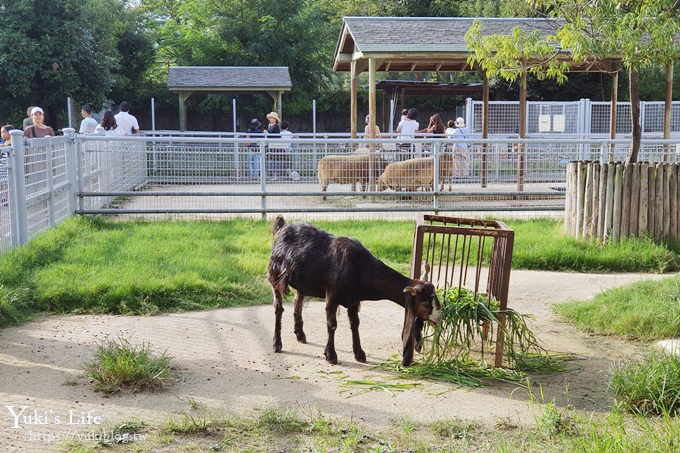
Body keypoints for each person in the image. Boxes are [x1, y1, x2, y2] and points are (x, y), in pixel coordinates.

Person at [264, 111, 283, 179]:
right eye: (270, 118)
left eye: (271, 118)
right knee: (269, 160)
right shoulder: (270, 126)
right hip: (269, 145)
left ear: (275, 119)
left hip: (274, 145)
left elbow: (275, 136)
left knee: (275, 160)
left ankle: (275, 175)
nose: (270, 119)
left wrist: (267, 133)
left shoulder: (276, 126)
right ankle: (267, 174)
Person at [0, 125, 11, 206]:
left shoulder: (12, 142)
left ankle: (7, 197)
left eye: (4, 132)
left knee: (8, 181)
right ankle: (5, 197)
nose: (2, 134)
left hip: (9, 164)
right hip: (3, 165)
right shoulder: (3, 142)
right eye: (1, 133)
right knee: (4, 181)